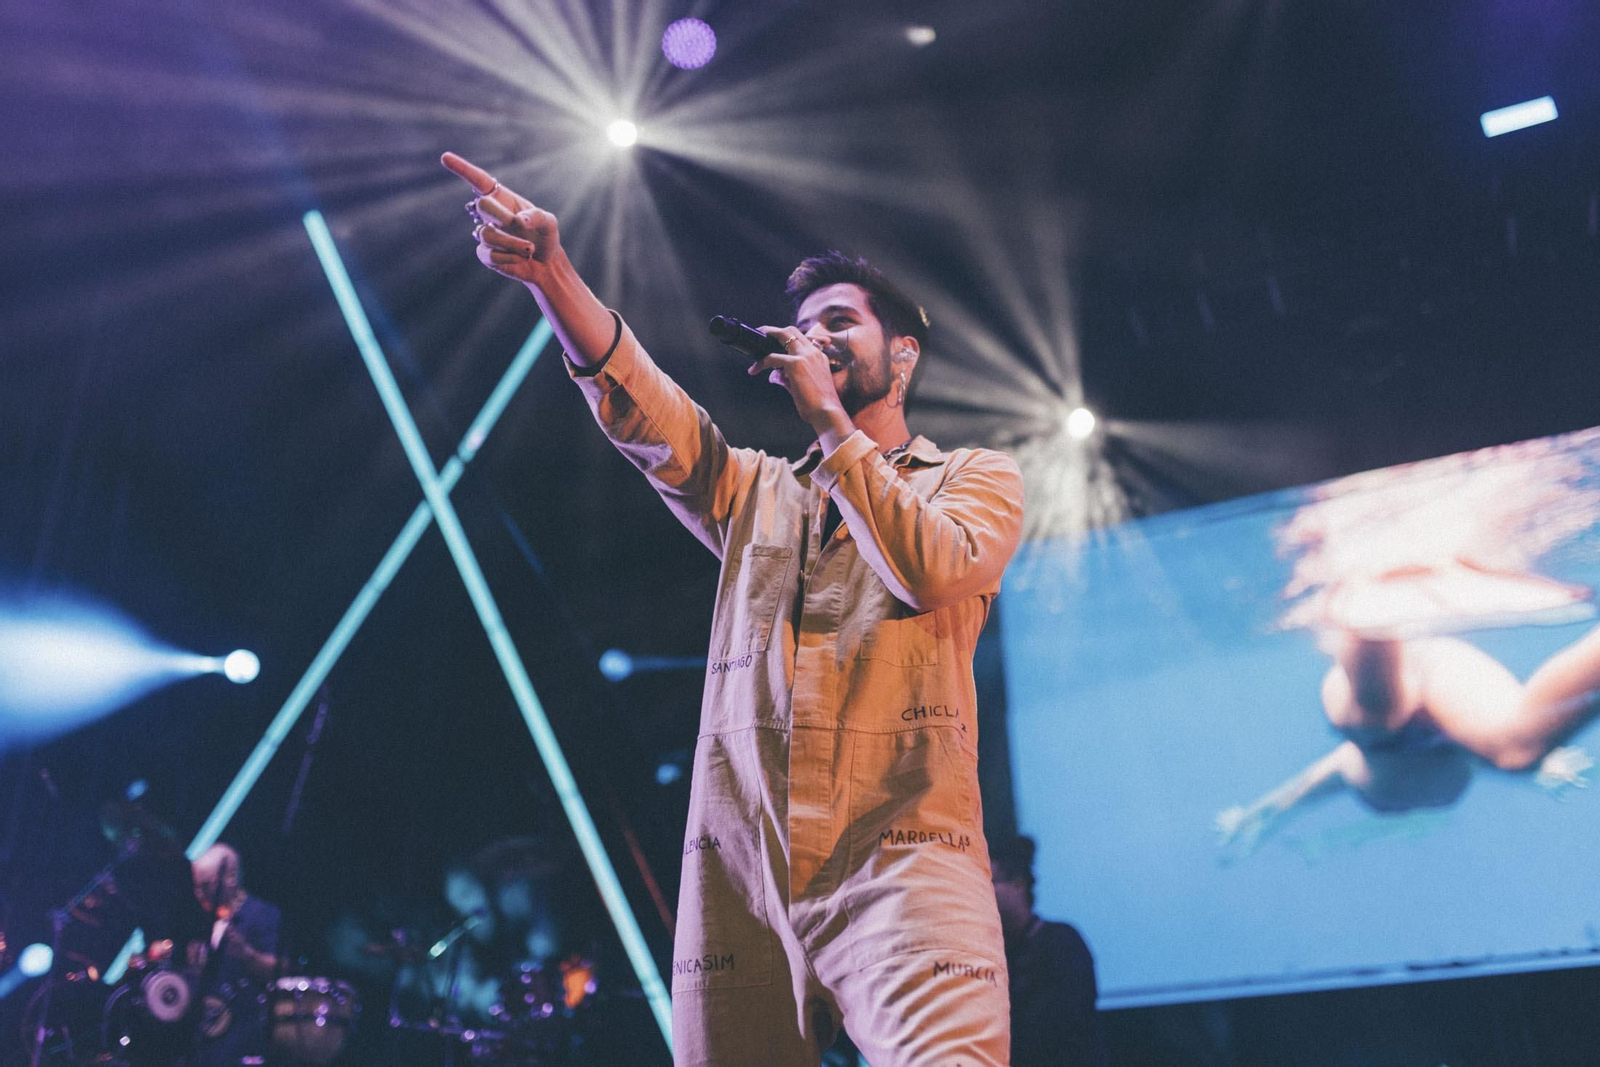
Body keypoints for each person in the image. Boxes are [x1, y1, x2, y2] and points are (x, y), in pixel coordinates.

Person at [442, 151, 1025, 1066]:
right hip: (740, 879)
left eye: (841, 320)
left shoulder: (974, 480)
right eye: (801, 325)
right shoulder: (757, 493)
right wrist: (553, 275)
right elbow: (645, 413)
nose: (816, 336)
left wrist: (834, 425)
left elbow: (930, 570)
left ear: (901, 355)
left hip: (905, 863)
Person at [990, 836, 1105, 1067]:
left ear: (1018, 884)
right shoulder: (992, 953)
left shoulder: (1062, 942)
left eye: (989, 882)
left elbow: (1065, 1022)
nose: (981, 894)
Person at [189, 843, 281, 1067]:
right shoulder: (210, 921)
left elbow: (281, 970)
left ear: (230, 878)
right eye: (196, 886)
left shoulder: (262, 914)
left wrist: (247, 955)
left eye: (206, 885)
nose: (199, 893)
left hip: (246, 1036)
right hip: (212, 1037)